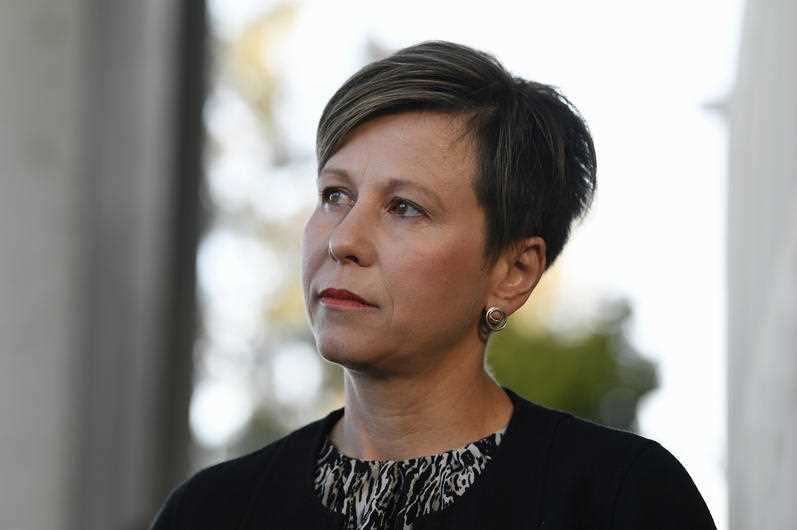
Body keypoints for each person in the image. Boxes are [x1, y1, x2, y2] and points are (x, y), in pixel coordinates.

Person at [150, 41, 716, 529]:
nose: (343, 240)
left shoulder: (620, 500)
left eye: (404, 207)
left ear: (513, 272)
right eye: (334, 195)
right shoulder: (213, 512)